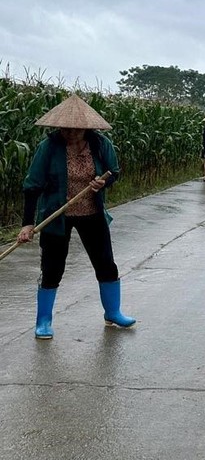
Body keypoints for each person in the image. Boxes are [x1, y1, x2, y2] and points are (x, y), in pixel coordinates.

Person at [16, 94, 134, 339]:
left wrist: (103, 182)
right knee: (52, 268)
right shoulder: (48, 148)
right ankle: (44, 321)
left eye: (75, 129)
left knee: (106, 264)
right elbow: (32, 186)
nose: (69, 133)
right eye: (65, 128)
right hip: (56, 216)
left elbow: (114, 172)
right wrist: (27, 223)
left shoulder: (101, 145)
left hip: (92, 212)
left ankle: (113, 312)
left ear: (86, 127)